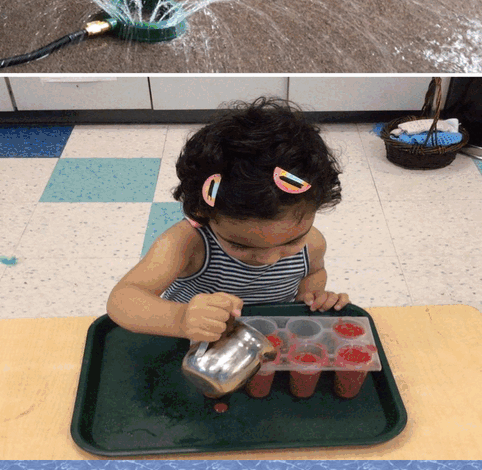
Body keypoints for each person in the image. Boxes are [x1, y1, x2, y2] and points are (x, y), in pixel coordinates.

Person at [107, 99, 349, 342]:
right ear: (203, 214)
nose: (270, 258)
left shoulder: (312, 243)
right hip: (189, 340)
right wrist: (180, 319)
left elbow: (313, 273)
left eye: (291, 242)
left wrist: (311, 298)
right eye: (242, 246)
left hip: (266, 339)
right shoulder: (189, 243)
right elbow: (123, 299)